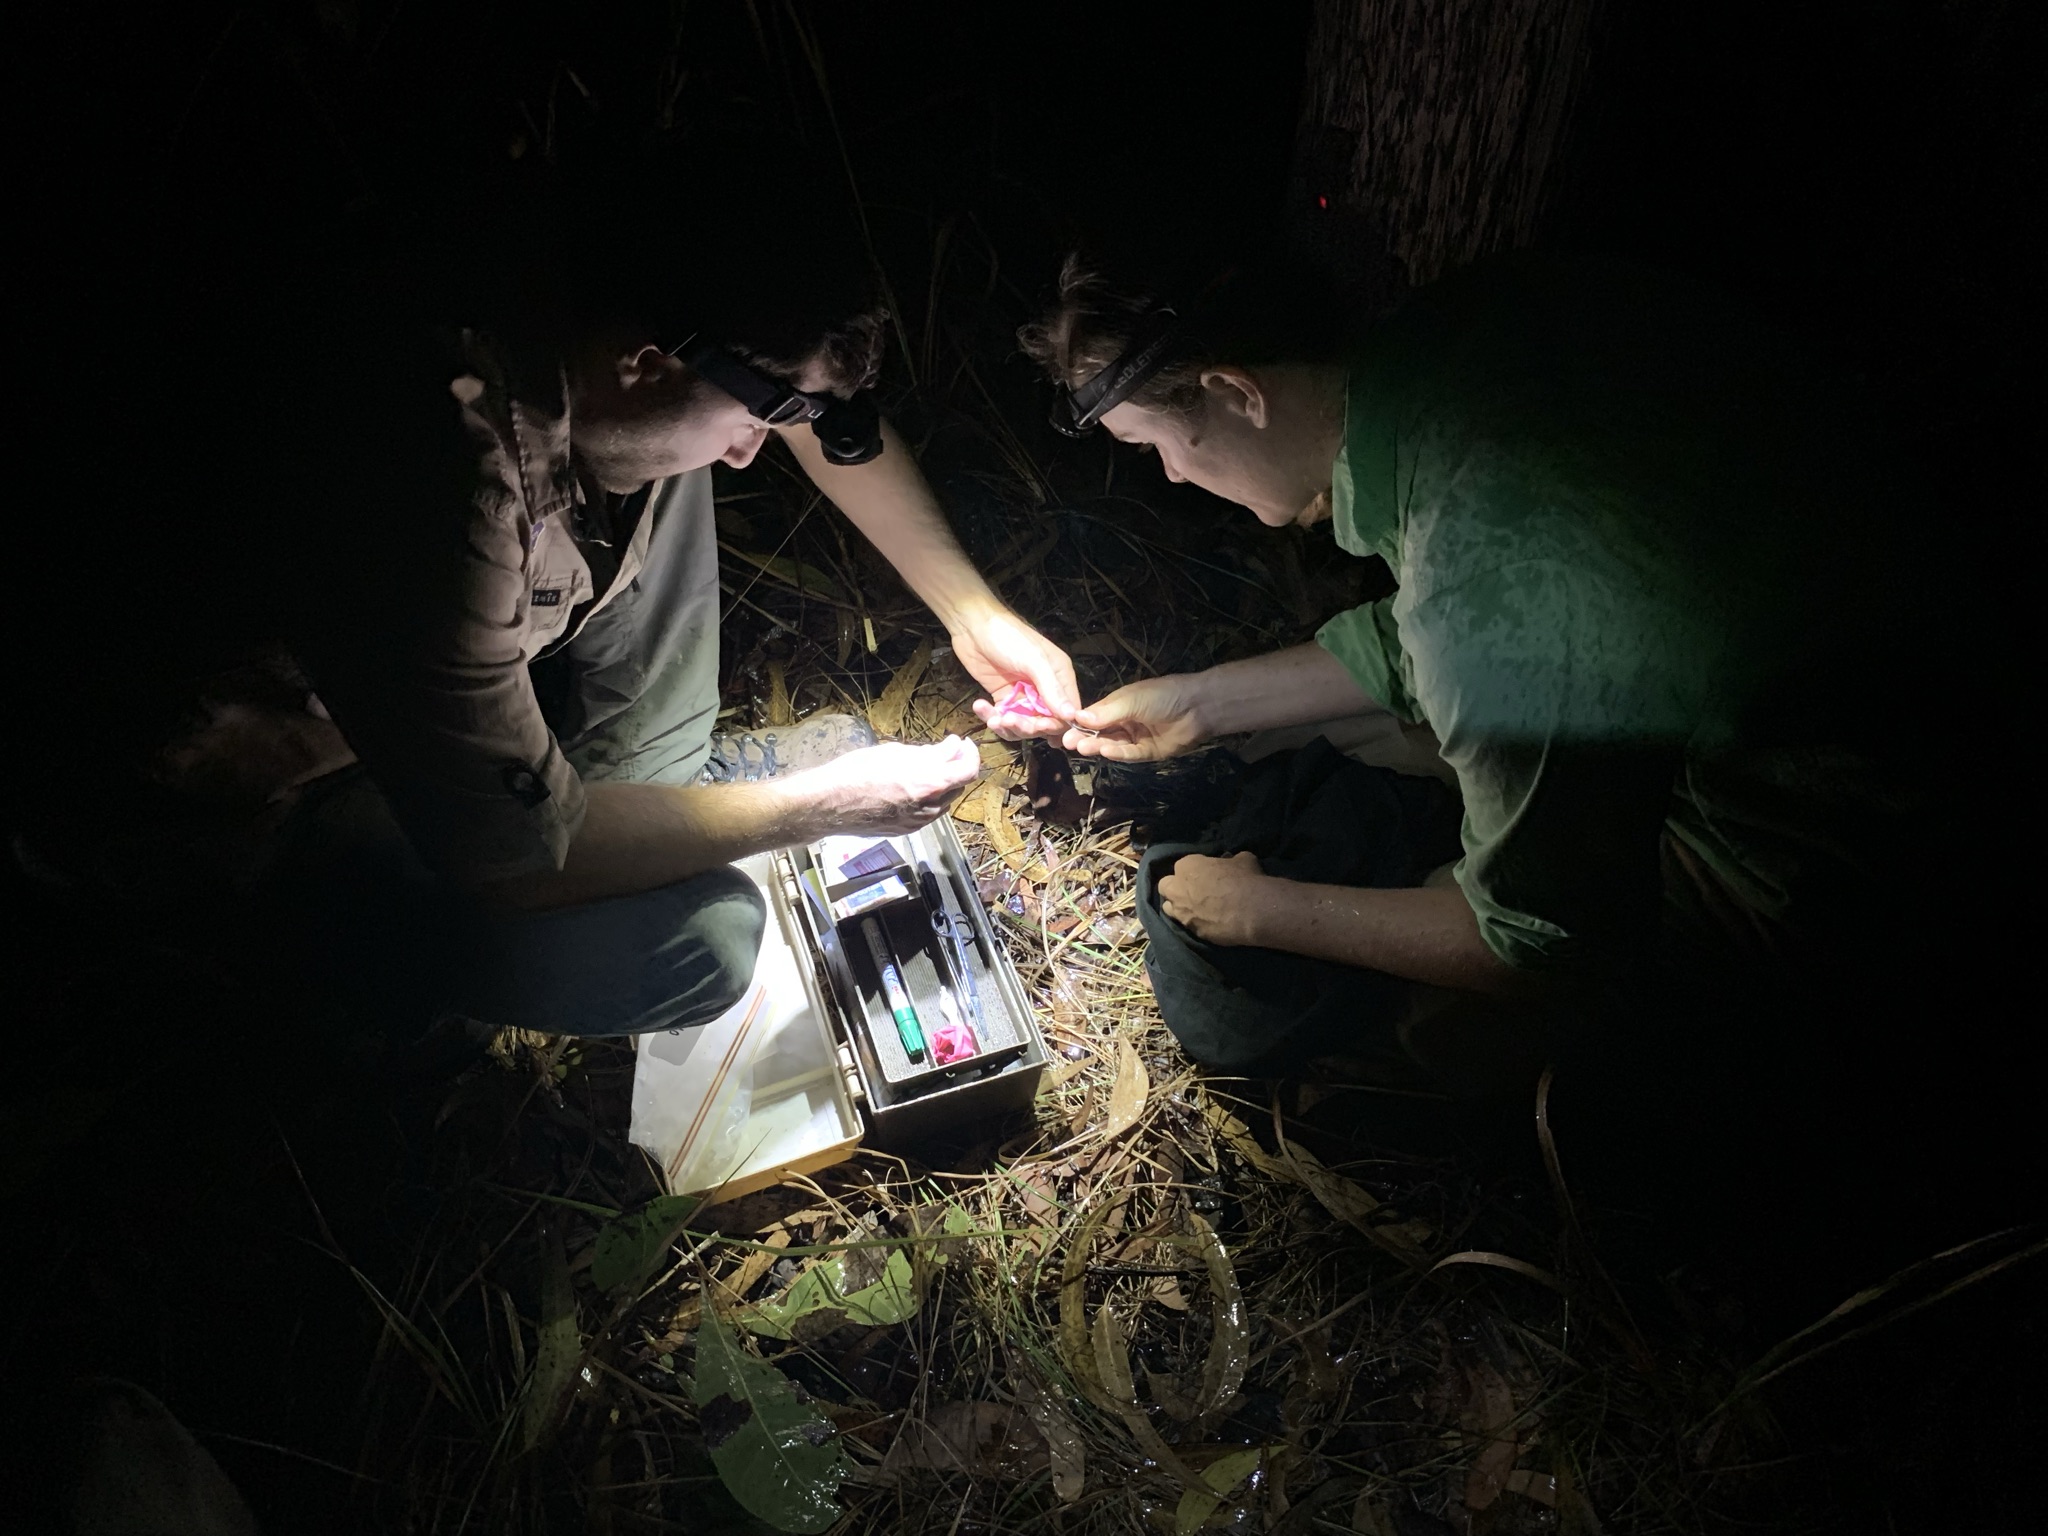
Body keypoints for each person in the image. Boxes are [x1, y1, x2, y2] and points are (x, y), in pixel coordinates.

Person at [1018, 249, 1920, 1073]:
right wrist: (1205, 704)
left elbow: (1536, 943)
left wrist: (1263, 911)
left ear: (1237, 392)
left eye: (1156, 447)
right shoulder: (1464, 328)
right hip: (1832, 633)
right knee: (1331, 733)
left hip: (1844, 842)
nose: (1172, 476)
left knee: (1428, 1027)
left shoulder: (1490, 586)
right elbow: (1444, 638)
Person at [252, 163, 1080, 1041]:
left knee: (685, 448)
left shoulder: (601, 314)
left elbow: (798, 415)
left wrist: (976, 617)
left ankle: (652, 791)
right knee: (710, 943)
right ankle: (369, 965)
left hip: (473, 663)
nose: (754, 453)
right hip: (320, 787)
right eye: (772, 413)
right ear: (644, 366)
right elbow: (524, 861)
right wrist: (820, 807)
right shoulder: (448, 500)